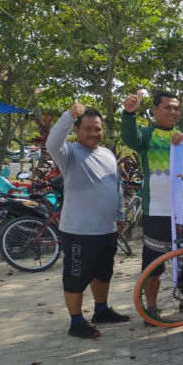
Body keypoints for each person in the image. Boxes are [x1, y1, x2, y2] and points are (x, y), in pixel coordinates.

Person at [46, 101, 129, 338]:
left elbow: (117, 187)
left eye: (98, 128)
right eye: (88, 128)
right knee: (75, 277)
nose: (94, 133)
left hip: (107, 229)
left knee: (103, 273)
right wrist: (69, 115)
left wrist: (120, 215)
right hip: (79, 232)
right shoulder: (68, 153)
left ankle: (101, 311)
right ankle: (75, 322)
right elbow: (52, 142)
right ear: (76, 130)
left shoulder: (108, 154)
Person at [121, 90, 183, 323]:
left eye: (176, 108)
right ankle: (151, 307)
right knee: (154, 263)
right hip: (157, 211)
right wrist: (128, 114)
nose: (173, 111)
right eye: (167, 107)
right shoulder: (146, 135)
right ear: (154, 110)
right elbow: (130, 139)